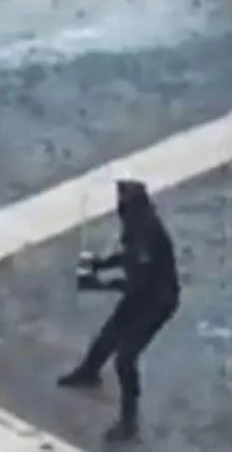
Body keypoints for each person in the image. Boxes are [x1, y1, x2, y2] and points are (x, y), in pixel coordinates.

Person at [57, 179, 180, 443]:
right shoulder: (135, 220)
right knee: (110, 332)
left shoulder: (144, 228)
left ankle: (129, 423)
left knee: (125, 358)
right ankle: (89, 371)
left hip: (158, 301)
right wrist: (100, 264)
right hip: (144, 293)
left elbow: (138, 280)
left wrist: (99, 283)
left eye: (122, 194)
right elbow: (127, 256)